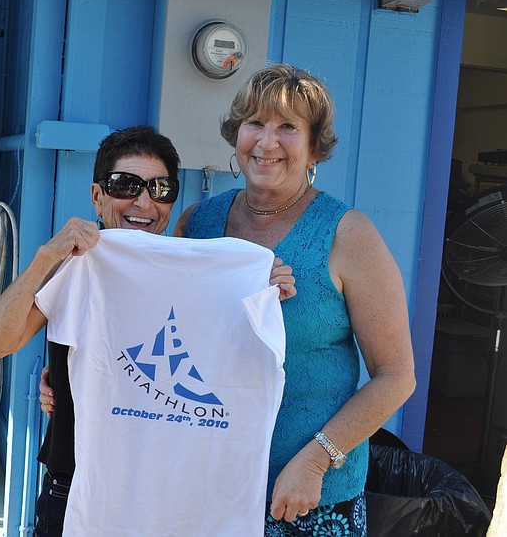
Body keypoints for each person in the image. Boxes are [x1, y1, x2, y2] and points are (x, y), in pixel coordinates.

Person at [0, 125, 295, 536]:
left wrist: (261, 291)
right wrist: (46, 259)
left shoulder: (208, 275)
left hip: (175, 498)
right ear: (97, 195)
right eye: (125, 185)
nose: (143, 202)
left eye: (160, 189)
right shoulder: (78, 265)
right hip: (78, 488)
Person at [173, 63, 416, 535]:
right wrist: (68, 371)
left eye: (288, 127)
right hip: (206, 484)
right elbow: (167, 330)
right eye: (255, 124)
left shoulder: (348, 234)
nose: (267, 142)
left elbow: (396, 376)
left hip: (304, 498)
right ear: (236, 134)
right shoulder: (197, 222)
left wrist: (316, 460)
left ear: (314, 148)